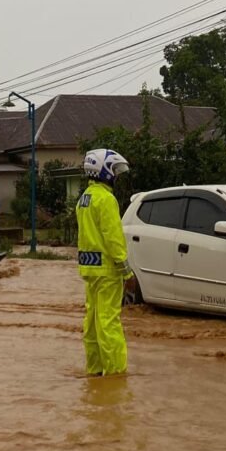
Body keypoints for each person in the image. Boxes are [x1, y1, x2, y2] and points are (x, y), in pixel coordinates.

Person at [76, 148, 132, 376]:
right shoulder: (106, 199)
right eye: (114, 170)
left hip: (89, 270)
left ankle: (95, 370)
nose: (116, 175)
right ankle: (116, 375)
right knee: (109, 323)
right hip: (108, 270)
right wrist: (126, 271)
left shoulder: (84, 198)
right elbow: (113, 237)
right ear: (104, 170)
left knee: (92, 323)